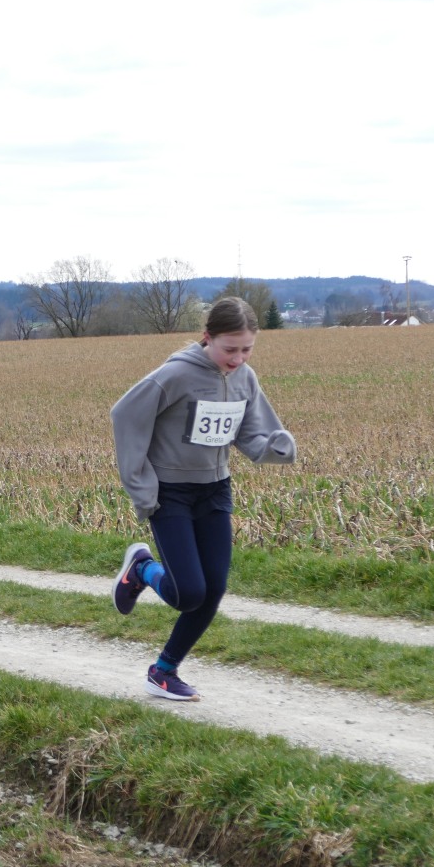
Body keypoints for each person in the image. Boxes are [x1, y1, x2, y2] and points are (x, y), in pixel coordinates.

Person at [110, 296, 297, 702]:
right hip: (170, 493)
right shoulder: (175, 375)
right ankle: (142, 569)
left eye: (247, 349)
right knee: (189, 593)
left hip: (215, 490)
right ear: (207, 337)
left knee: (213, 590)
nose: (238, 359)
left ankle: (163, 672)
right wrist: (141, 485)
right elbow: (125, 416)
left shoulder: (245, 378)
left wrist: (273, 447)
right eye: (230, 349)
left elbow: (250, 434)